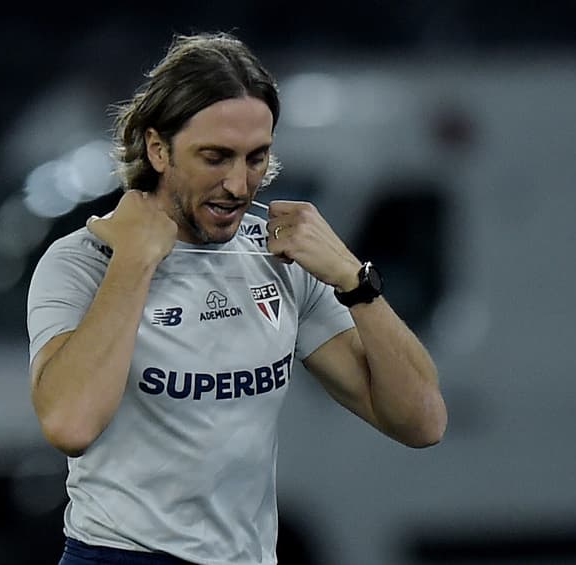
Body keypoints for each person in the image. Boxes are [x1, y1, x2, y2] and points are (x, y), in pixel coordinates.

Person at [26, 31, 447, 565]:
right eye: (215, 157)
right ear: (158, 148)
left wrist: (352, 278)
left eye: (255, 157)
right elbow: (70, 424)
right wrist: (136, 261)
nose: (237, 182)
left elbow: (422, 422)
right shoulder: (83, 262)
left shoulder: (280, 259)